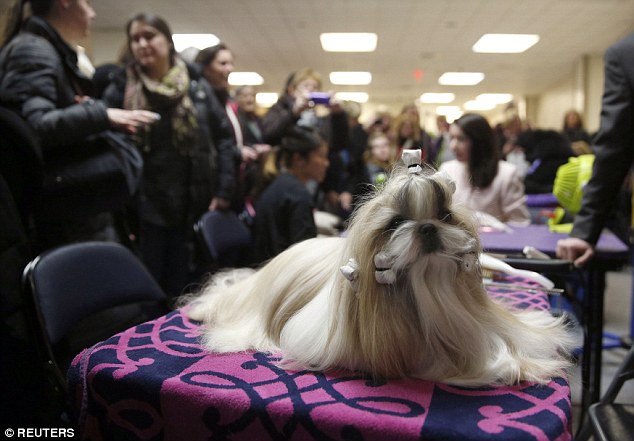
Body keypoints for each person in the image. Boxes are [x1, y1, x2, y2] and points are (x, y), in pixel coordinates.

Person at [0, 0, 159, 252]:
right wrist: (100, 114)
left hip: (69, 211)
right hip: (63, 215)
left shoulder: (43, 48)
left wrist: (88, 112)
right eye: (86, 3)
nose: (93, 13)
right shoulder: (34, 49)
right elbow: (33, 127)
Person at [102, 12, 236, 295]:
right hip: (144, 203)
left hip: (193, 199)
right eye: (135, 39)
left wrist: (223, 190)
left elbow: (224, 138)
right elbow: (107, 141)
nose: (141, 44)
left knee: (188, 282)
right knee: (148, 282)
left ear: (168, 41)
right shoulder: (121, 86)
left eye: (149, 36)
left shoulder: (196, 86)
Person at [556, 33, 634, 267]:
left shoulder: (625, 53)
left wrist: (584, 231)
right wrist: (584, 230)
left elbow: (614, 148)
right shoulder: (625, 53)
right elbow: (614, 148)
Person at [260, 68, 350, 216]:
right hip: (281, 175)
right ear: (292, 90)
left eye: (315, 87)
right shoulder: (280, 109)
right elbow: (269, 136)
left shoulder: (318, 117)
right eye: (306, 86)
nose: (311, 90)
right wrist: (293, 113)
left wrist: (338, 114)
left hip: (313, 182)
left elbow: (338, 144)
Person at [250, 127, 329, 265]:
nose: (326, 163)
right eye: (320, 156)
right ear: (298, 159)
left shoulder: (283, 184)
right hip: (276, 273)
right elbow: (304, 255)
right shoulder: (298, 195)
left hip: (266, 267)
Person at [439, 113, 530, 225]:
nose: (453, 146)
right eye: (452, 138)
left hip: (494, 241)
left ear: (479, 141)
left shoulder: (506, 173)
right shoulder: (447, 170)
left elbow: (519, 223)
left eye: (461, 139)